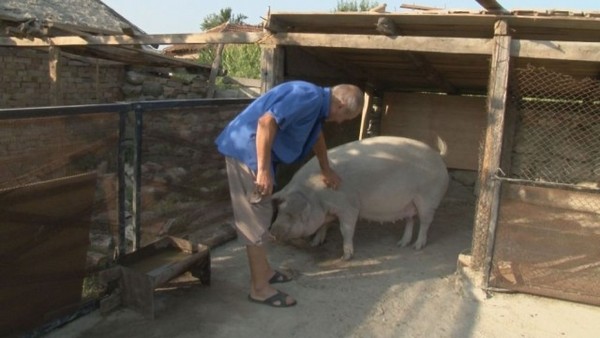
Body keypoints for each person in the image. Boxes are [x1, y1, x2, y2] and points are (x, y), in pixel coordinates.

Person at [215, 80, 364, 307]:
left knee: (261, 213)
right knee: (255, 216)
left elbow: (316, 135)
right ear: (342, 105)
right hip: (247, 153)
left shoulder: (316, 105)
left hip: (256, 154)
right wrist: (263, 170)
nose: (342, 122)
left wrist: (326, 168)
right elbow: (266, 123)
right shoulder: (308, 97)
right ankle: (259, 289)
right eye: (346, 117)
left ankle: (264, 272)